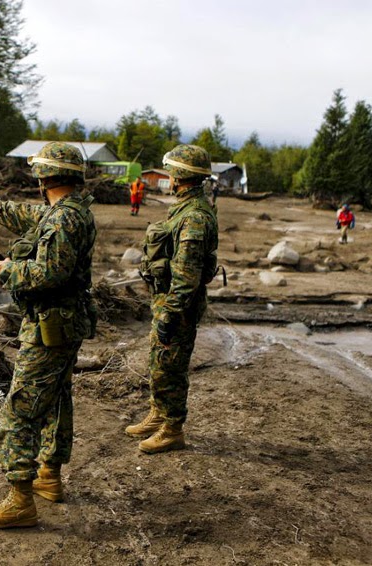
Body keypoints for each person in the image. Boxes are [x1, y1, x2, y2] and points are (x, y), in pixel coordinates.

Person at [0, 142, 97, 529]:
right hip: (65, 323)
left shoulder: (62, 220)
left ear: (42, 176)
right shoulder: (67, 211)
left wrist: (8, 269)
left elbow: (51, 273)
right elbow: (26, 214)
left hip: (50, 325)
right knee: (54, 399)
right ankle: (48, 477)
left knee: (18, 410)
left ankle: (20, 500)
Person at [127, 144, 219, 454]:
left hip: (178, 305)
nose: (168, 177)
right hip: (167, 301)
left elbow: (186, 276)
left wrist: (169, 314)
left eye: (170, 173)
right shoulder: (183, 208)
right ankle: (158, 414)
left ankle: (172, 429)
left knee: (172, 366)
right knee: (159, 361)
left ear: (179, 176)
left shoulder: (194, 217)